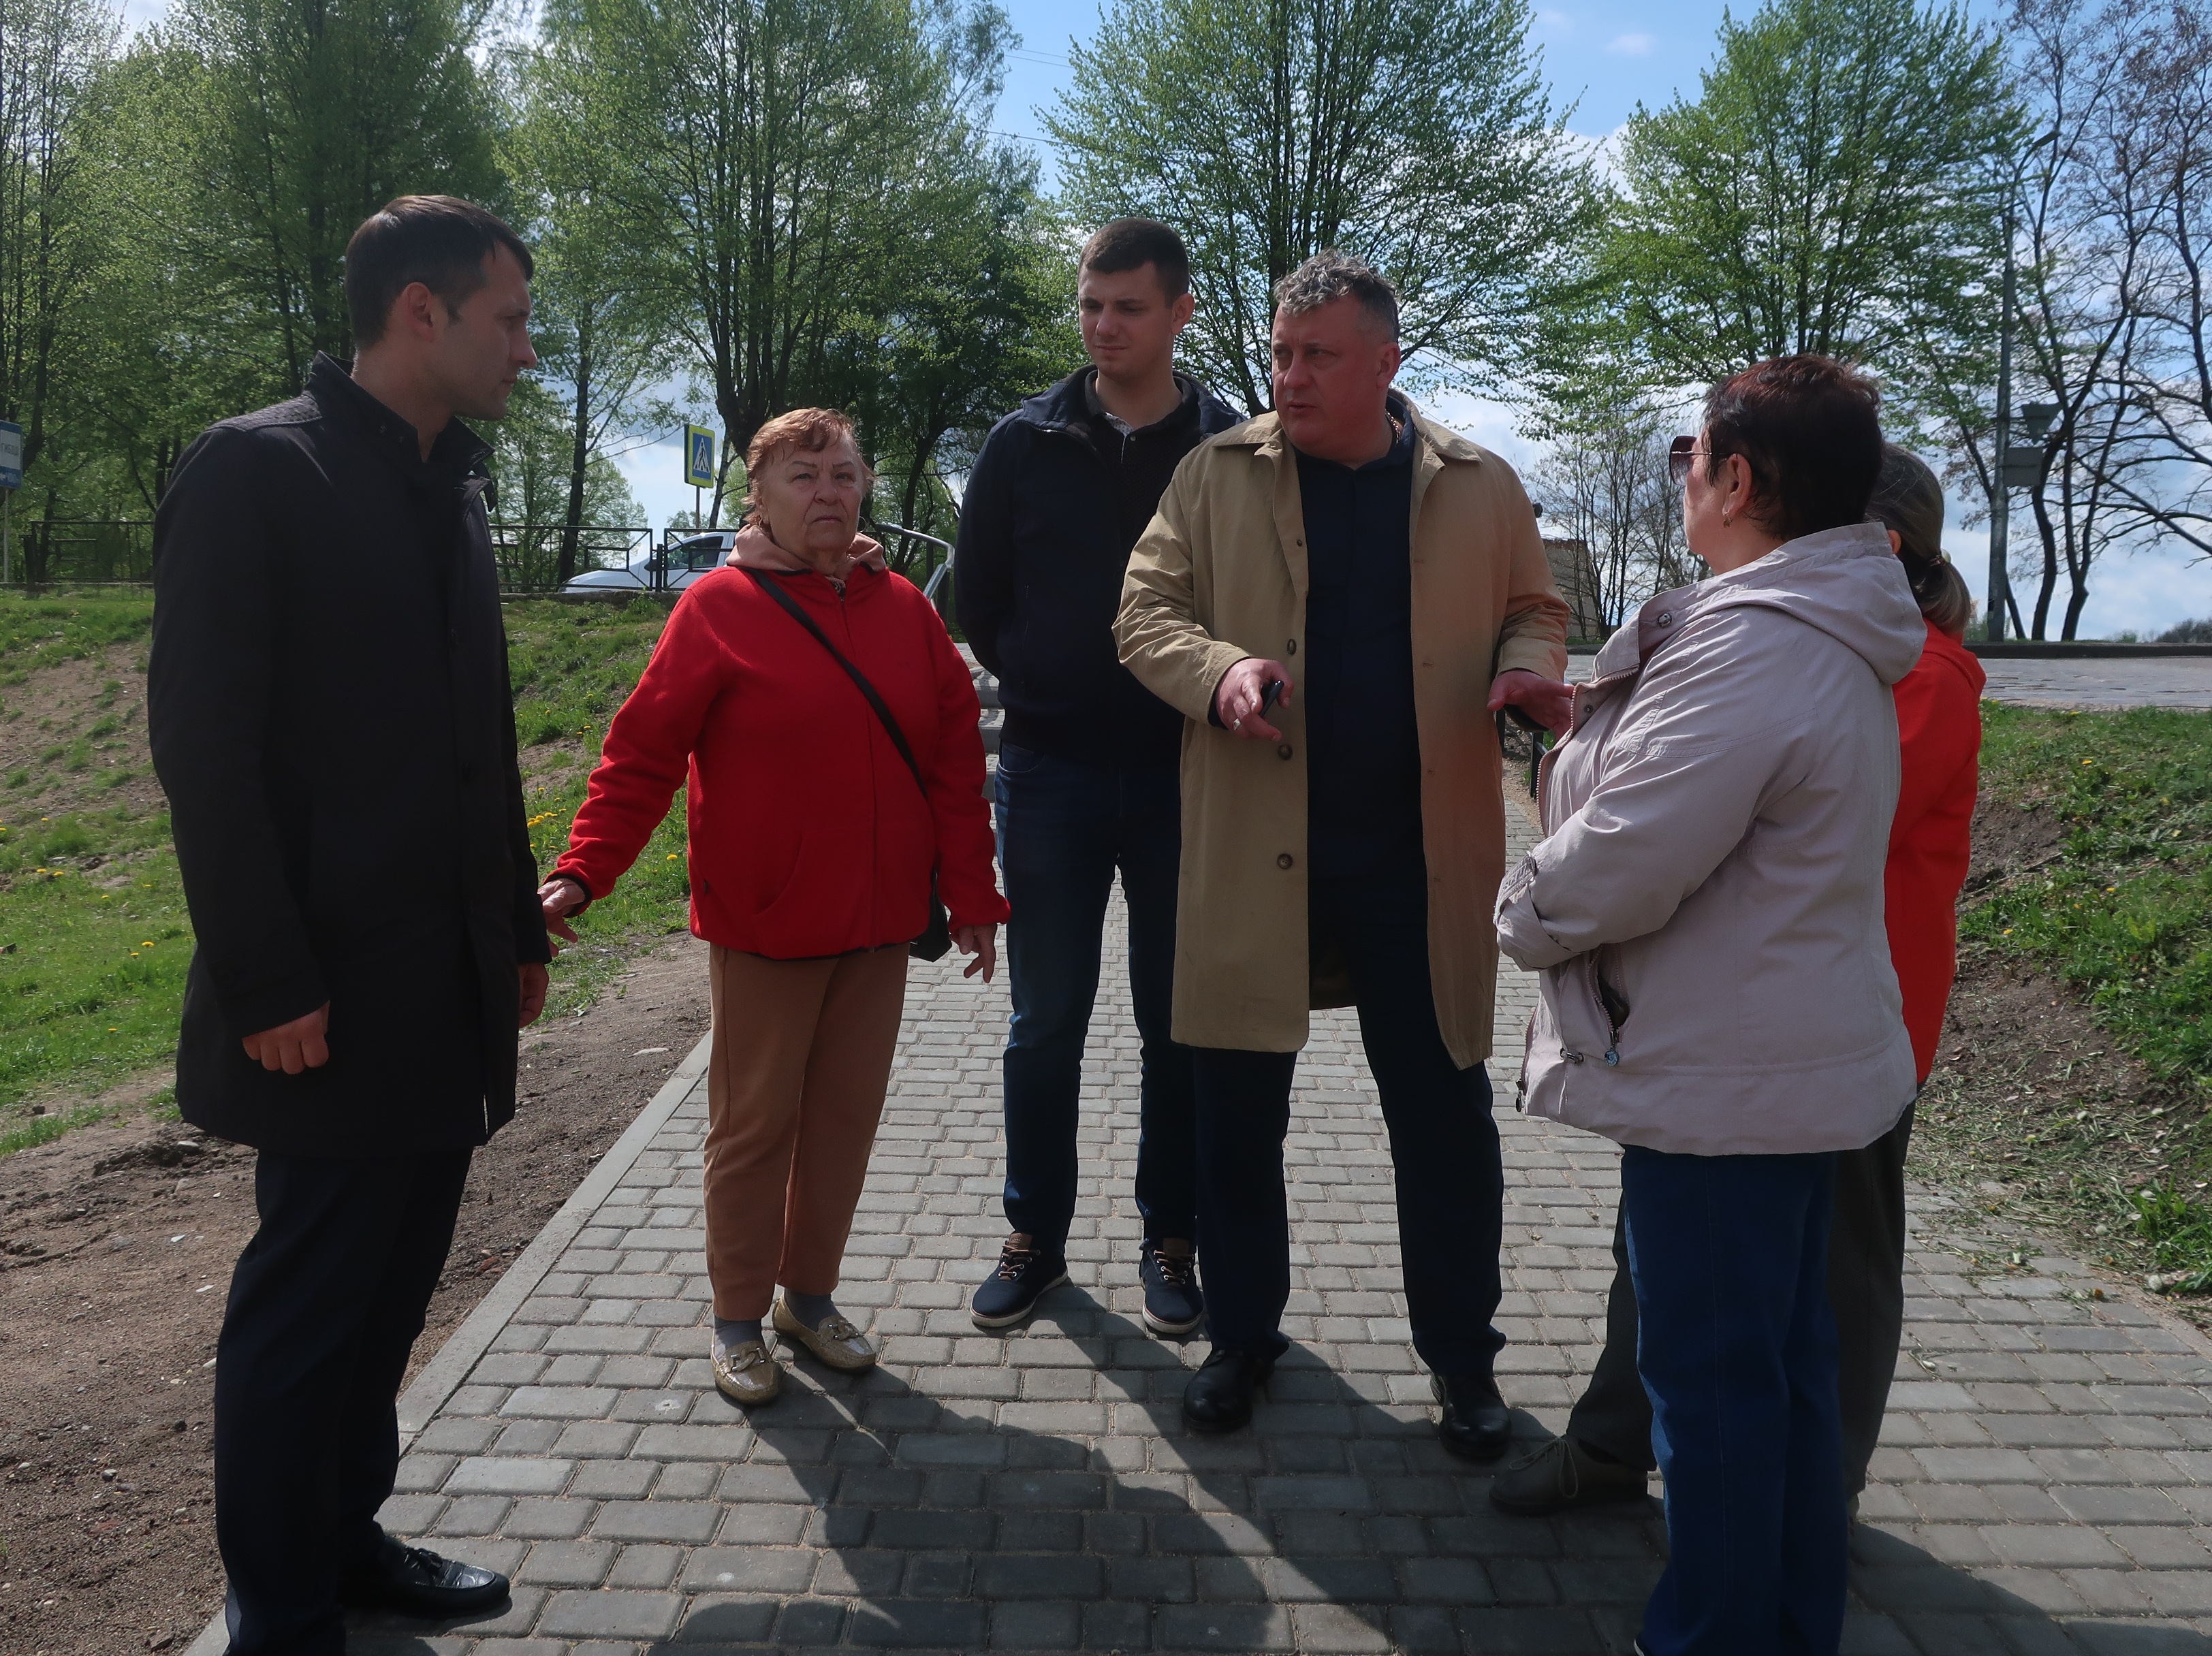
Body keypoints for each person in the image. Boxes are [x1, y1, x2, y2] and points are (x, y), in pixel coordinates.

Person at [148, 196, 550, 1653]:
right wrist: (264, 976)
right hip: (318, 987)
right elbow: (205, 750)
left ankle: (344, 1537)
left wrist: (516, 926)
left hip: (442, 978)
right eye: (509, 319)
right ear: (420, 313)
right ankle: (279, 1606)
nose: (526, 350)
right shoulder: (257, 470)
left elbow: (481, 739)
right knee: (309, 1303)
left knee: (388, 1294)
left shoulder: (455, 487)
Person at [1492, 356, 1926, 1656]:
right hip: (1783, 1066)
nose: (1682, 478)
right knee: (1778, 1379)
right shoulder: (1821, 627)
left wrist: (1522, 909)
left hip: (1734, 1086)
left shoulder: (1753, 643)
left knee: (1720, 1398)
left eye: (1690, 457)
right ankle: (1784, 1626)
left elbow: (1631, 853)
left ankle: (1717, 1636)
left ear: (1739, 480)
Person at [1114, 250, 1573, 1446]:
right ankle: (1241, 1339)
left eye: (1319, 355)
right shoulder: (1214, 474)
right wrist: (1221, 672)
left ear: (1386, 364)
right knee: (1235, 1121)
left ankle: (1464, 1365)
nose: (1291, 376)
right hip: (1253, 852)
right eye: (1281, 353)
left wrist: (1526, 667)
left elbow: (1535, 606)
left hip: (1418, 863)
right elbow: (1144, 614)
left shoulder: (1478, 484)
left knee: (1443, 1120)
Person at [539, 407, 1005, 1409]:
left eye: (843, 474)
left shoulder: (905, 610)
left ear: (865, 488)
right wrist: (583, 872)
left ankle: (810, 1298)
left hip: (880, 925)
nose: (828, 492)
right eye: (803, 476)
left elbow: (954, 766)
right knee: (753, 1129)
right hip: (767, 922)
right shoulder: (718, 607)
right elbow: (643, 754)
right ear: (759, 497)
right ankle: (738, 1318)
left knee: (843, 1124)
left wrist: (973, 895)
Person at [955, 218, 1242, 1335]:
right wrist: (1046, 681)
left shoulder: (1228, 444)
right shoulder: (1023, 442)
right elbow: (980, 598)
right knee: (1044, 1023)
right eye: (1090, 304)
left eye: (1128, 307)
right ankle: (1034, 1236)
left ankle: (1173, 1239)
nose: (1104, 326)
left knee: (1178, 1025)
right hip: (1050, 775)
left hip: (1185, 777)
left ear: (1179, 313)